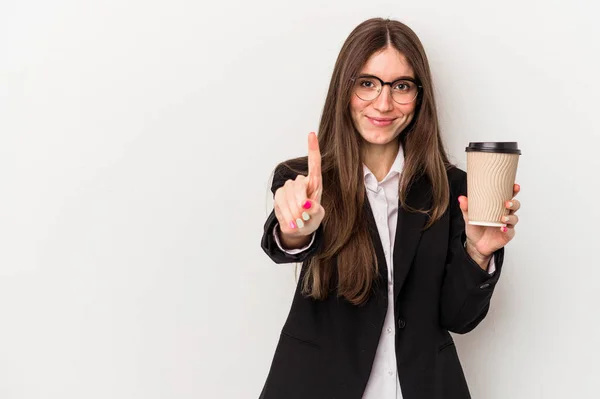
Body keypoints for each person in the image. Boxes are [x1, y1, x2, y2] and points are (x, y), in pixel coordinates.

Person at [259, 17, 520, 399]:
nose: (383, 103)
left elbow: (458, 319)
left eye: (400, 86)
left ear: (419, 95)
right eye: (367, 83)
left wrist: (478, 254)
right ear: (344, 90)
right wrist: (297, 227)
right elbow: (284, 239)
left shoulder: (454, 189)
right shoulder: (305, 180)